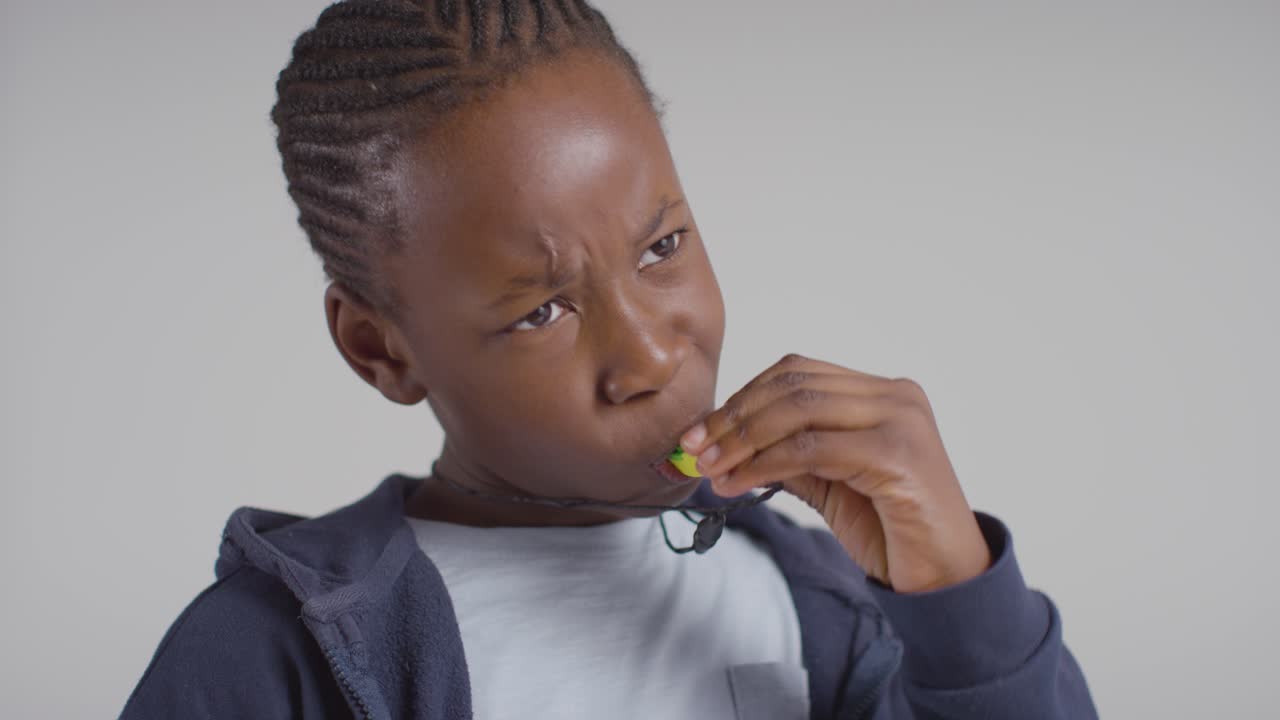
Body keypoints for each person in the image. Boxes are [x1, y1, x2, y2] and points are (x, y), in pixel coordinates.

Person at [119, 1, 1099, 718]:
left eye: (661, 247)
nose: (650, 356)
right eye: (541, 311)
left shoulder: (833, 608)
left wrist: (958, 599)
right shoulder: (268, 653)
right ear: (381, 349)